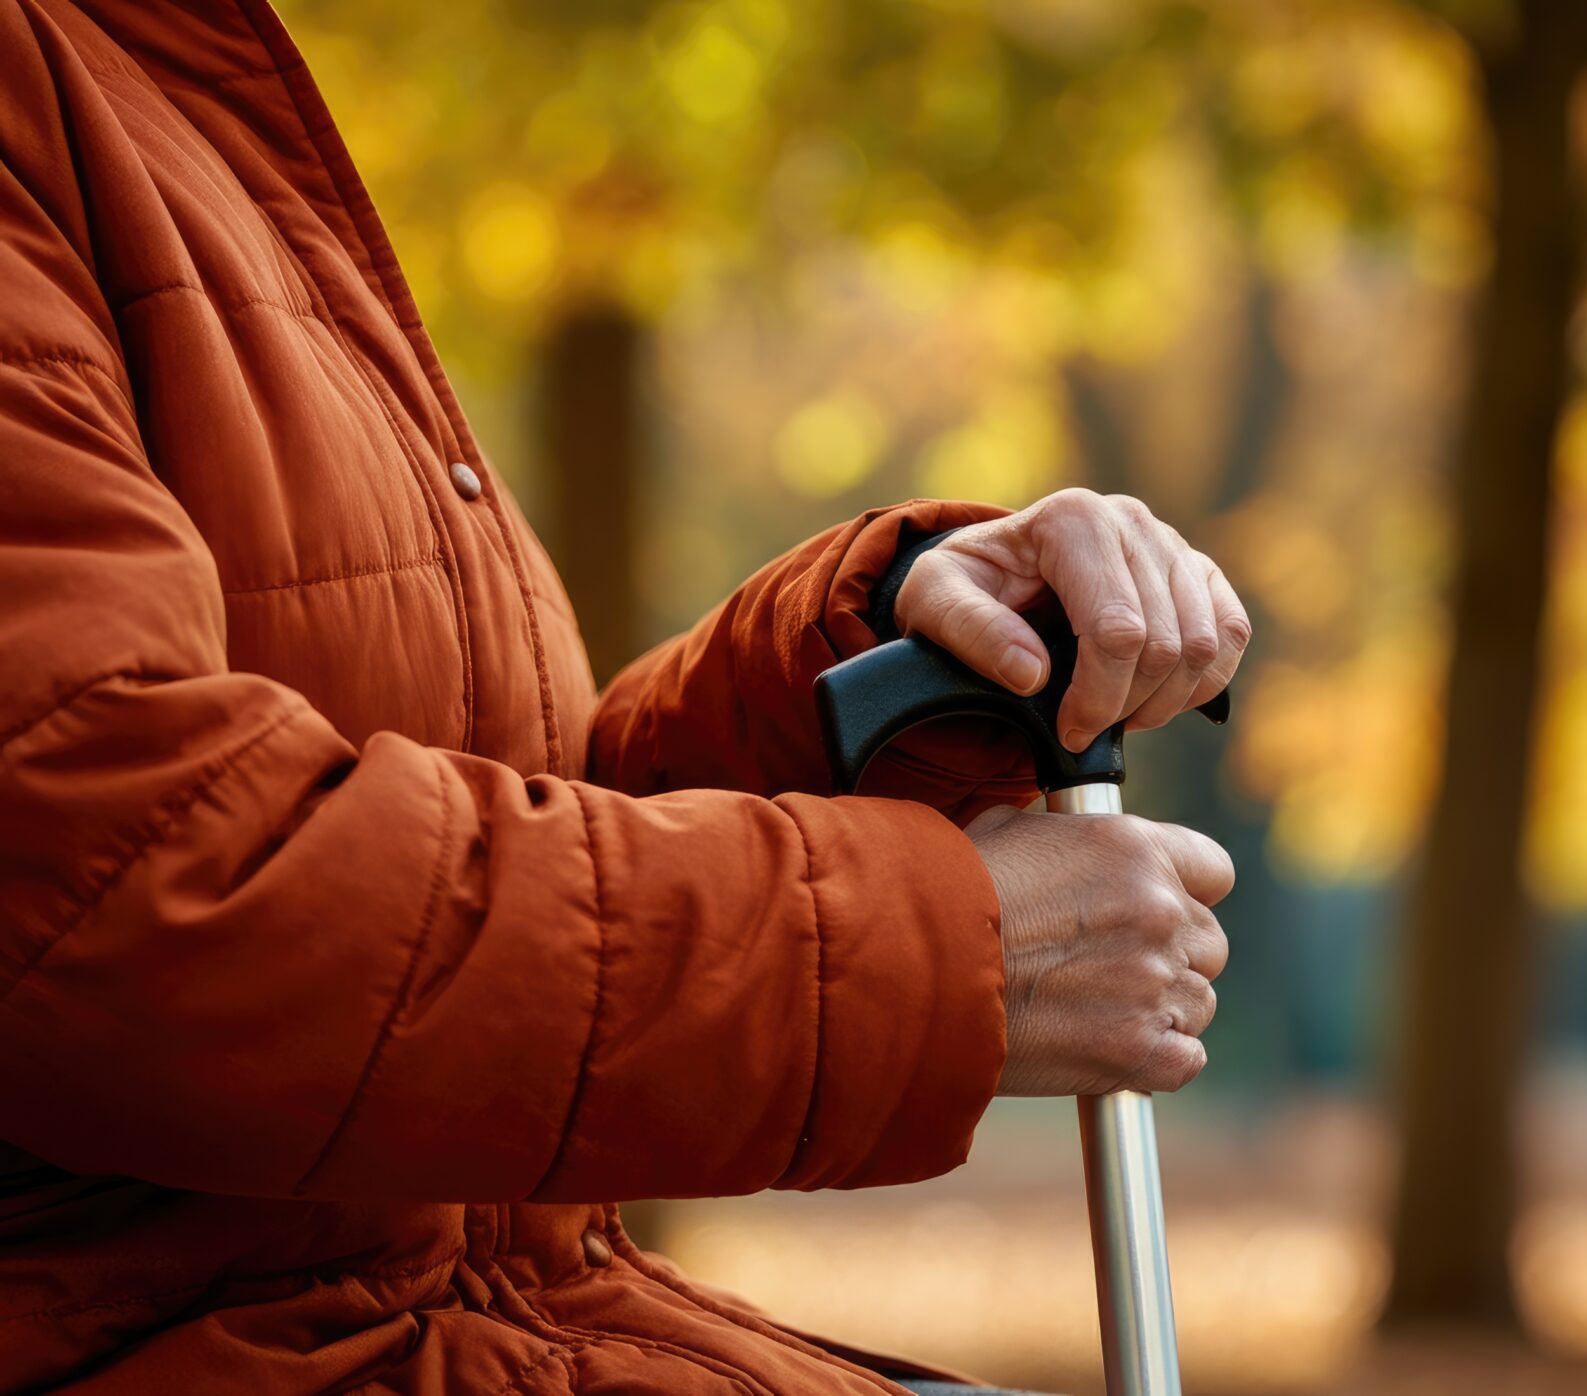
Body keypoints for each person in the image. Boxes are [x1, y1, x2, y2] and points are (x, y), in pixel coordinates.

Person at [0, 0, 1249, 1390]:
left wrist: (881, 657)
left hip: (473, 1319)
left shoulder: (182, 103)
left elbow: (499, 823)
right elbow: (120, 902)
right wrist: (941, 947)